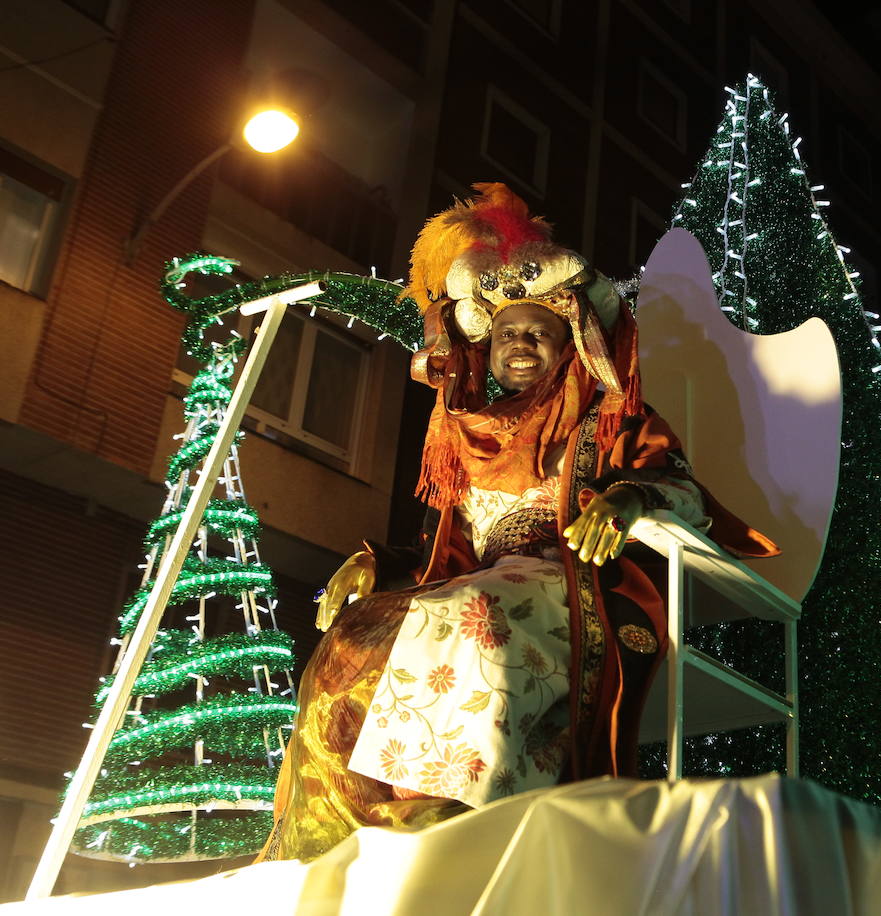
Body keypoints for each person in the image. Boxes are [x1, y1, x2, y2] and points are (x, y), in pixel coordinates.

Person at [258, 183, 776, 862]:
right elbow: (442, 549)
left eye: (538, 332)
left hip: (580, 585)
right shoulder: (468, 431)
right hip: (480, 582)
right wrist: (377, 562)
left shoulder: (613, 418)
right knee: (355, 634)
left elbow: (682, 490)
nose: (521, 344)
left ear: (569, 341)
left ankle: (454, 824)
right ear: (490, 347)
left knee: (471, 614)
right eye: (507, 334)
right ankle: (346, 834)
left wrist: (628, 499)